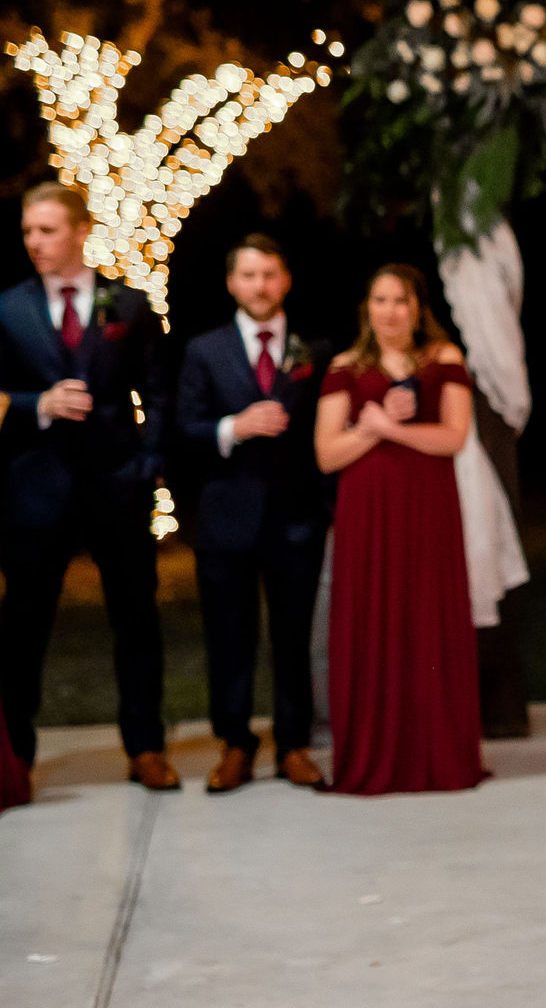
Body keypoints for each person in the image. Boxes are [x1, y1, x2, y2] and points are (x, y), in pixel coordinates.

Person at [0, 183, 176, 789]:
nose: (34, 243)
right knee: (24, 628)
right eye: (28, 232)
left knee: (136, 620)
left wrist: (147, 462)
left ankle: (146, 748)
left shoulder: (126, 304)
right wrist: (37, 402)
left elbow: (158, 391)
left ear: (80, 232)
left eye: (47, 231)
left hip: (117, 487)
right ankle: (18, 756)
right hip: (35, 490)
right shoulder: (8, 308)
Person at [314, 264, 486, 795]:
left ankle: (435, 751)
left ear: (417, 307)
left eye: (400, 301)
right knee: (372, 614)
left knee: (427, 613)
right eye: (380, 300)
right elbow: (326, 454)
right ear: (366, 307)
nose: (389, 311)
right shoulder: (345, 367)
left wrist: (392, 428)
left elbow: (454, 437)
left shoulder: (444, 359)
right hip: (367, 509)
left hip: (428, 505)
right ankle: (374, 752)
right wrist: (373, 429)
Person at [174, 235, 332, 792]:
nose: (259, 286)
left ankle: (294, 744)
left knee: (293, 637)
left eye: (269, 274)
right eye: (248, 275)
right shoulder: (204, 349)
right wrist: (232, 428)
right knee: (229, 636)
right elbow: (184, 429)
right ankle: (236, 743)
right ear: (230, 283)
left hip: (296, 517)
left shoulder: (314, 349)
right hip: (226, 520)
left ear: (285, 280)